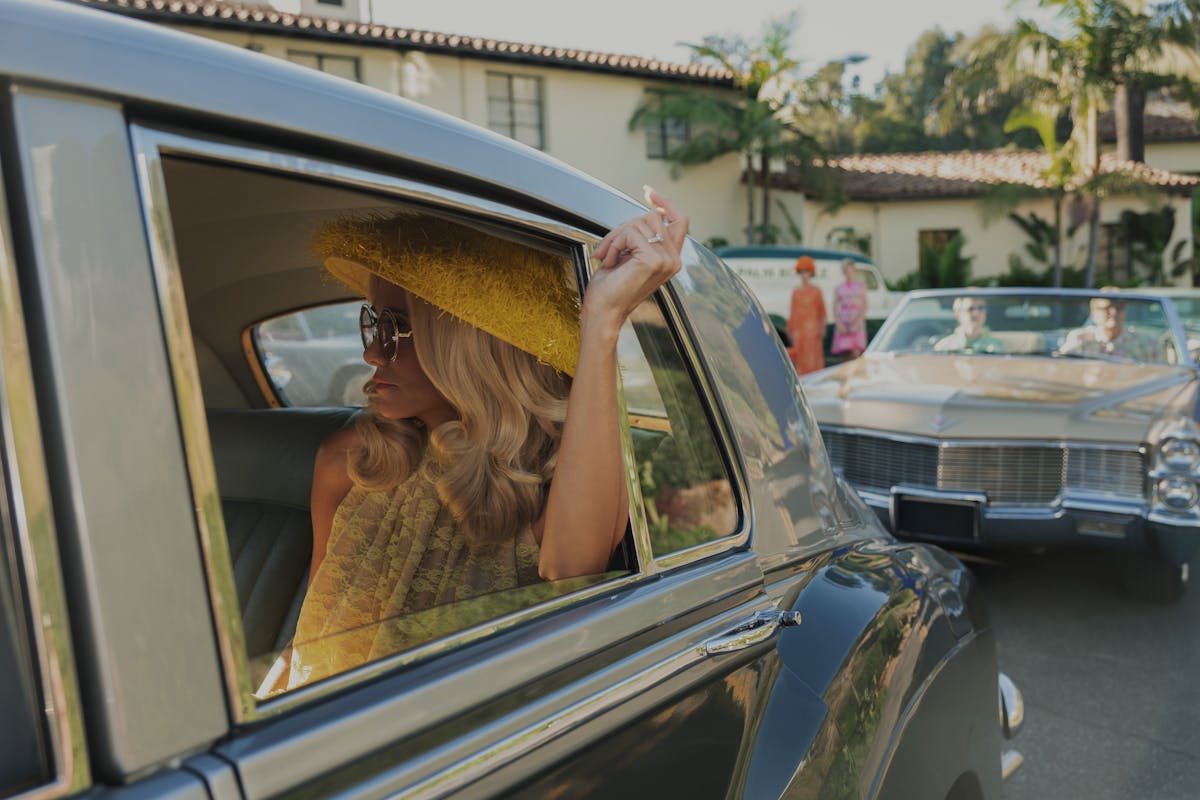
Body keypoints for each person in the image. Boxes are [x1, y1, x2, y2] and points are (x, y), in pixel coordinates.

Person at [269, 191, 688, 691]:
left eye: (397, 328)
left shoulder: (547, 477)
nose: (373, 353)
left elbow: (573, 568)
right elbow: (315, 631)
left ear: (468, 345)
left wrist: (602, 322)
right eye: (373, 322)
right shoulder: (352, 460)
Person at [1059, 290, 1161, 363]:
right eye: (1106, 308)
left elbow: (1161, 378)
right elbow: (1063, 368)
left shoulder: (1146, 343)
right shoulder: (1081, 340)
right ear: (1093, 315)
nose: (1114, 312)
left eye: (1119, 307)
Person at [786, 255, 827, 374]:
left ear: (811, 273)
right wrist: (790, 330)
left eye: (807, 272)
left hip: (813, 333)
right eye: (802, 272)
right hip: (799, 333)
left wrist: (822, 328)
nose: (804, 275)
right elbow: (793, 312)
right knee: (800, 361)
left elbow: (822, 312)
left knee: (814, 360)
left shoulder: (816, 291)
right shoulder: (796, 292)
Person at [934, 295, 1005, 354]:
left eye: (981, 308)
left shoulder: (997, 346)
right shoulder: (944, 346)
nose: (976, 313)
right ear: (958, 314)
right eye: (970, 309)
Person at [830, 258, 867, 359]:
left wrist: (858, 322)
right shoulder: (839, 288)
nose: (849, 274)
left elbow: (864, 305)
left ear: (854, 271)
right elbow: (835, 306)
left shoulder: (860, 287)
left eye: (851, 271)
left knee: (856, 353)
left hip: (856, 324)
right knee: (845, 353)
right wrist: (839, 323)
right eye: (846, 271)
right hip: (843, 324)